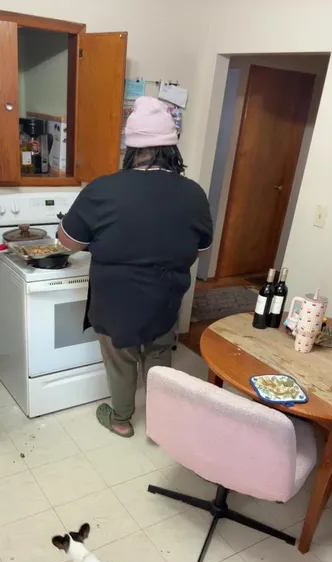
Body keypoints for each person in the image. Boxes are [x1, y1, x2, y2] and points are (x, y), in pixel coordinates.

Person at [58, 96, 212, 438]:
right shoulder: (194, 194)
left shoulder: (103, 189)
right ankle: (160, 424)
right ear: (172, 147)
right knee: (159, 354)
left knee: (121, 358)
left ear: (131, 147)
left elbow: (68, 243)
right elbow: (200, 250)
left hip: (115, 300)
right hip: (165, 298)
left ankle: (121, 420)